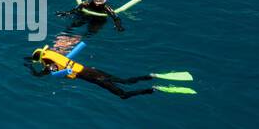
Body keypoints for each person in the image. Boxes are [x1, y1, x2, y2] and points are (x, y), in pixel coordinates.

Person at [28, 47, 194, 98]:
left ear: (42, 59)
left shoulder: (50, 64)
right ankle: (151, 75)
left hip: (91, 76)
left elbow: (44, 73)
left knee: (123, 94)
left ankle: (153, 89)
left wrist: (32, 71)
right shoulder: (54, 55)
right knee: (125, 80)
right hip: (91, 69)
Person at [58, 0, 124, 32]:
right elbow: (75, 10)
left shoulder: (106, 8)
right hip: (86, 16)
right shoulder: (86, 3)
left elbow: (116, 18)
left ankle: (84, 37)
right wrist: (66, 13)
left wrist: (118, 26)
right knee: (73, 25)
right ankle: (67, 33)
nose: (97, 0)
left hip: (98, 20)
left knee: (92, 31)